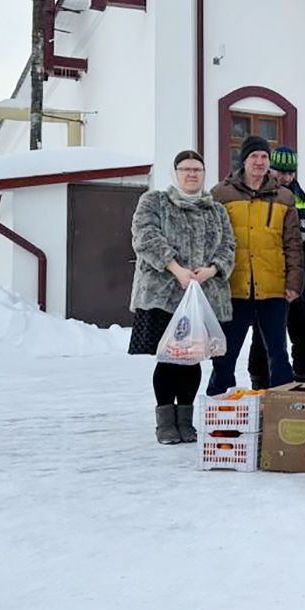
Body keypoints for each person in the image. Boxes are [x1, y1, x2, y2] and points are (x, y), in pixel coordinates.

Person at [128, 150, 235, 444]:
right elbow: (145, 238)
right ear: (175, 173)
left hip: (203, 297)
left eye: (197, 169)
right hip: (163, 297)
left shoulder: (216, 210)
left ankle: (185, 422)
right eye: (186, 169)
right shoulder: (154, 202)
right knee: (169, 359)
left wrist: (212, 270)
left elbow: (228, 246)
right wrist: (176, 269)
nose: (192, 174)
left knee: (192, 360)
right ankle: (165, 423)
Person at [209, 136, 304, 395]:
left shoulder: (284, 197)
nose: (260, 162)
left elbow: (293, 244)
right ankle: (218, 408)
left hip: (273, 287)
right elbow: (211, 241)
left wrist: (295, 282)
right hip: (234, 288)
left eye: (264, 157)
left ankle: (283, 411)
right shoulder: (221, 194)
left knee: (278, 354)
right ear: (244, 160)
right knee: (225, 355)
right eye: (254, 157)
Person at [246, 145, 305, 387]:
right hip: (267, 278)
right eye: (280, 171)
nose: (285, 177)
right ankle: (261, 383)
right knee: (264, 337)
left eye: (290, 172)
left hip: (296, 277)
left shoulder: (300, 197)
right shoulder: (259, 194)